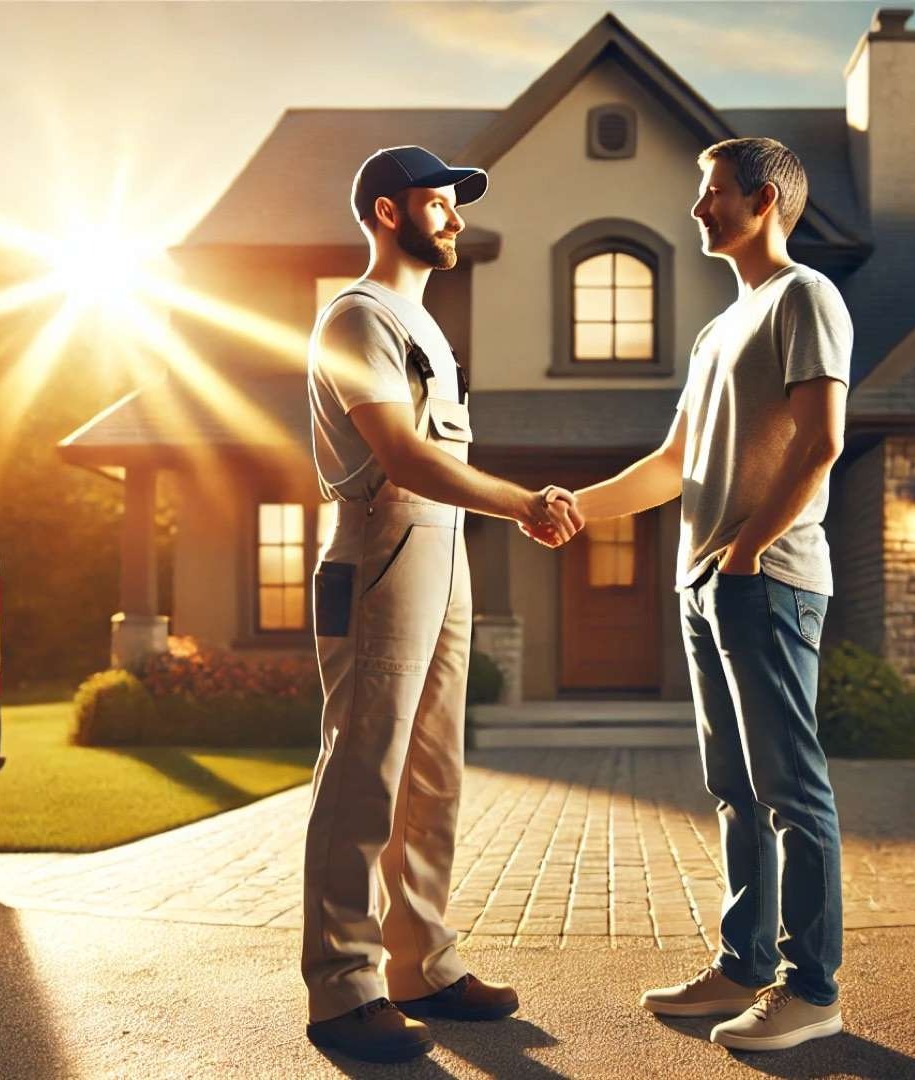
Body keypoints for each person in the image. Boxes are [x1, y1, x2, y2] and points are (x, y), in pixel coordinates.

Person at [299, 144, 584, 1064]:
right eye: (439, 202)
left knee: (433, 768)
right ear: (388, 212)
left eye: (456, 205)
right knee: (365, 768)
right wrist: (525, 504)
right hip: (384, 543)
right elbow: (407, 458)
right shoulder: (357, 317)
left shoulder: (420, 323)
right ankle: (344, 987)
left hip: (440, 545)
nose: (455, 217)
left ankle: (421, 962)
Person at [571, 137, 852, 1052]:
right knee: (734, 786)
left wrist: (747, 553)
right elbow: (670, 466)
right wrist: (572, 508)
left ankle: (812, 989)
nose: (698, 208)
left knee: (790, 790)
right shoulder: (714, 330)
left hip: (764, 581)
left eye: (712, 193)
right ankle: (743, 963)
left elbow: (821, 441)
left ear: (762, 199)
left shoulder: (804, 298)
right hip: (709, 582)